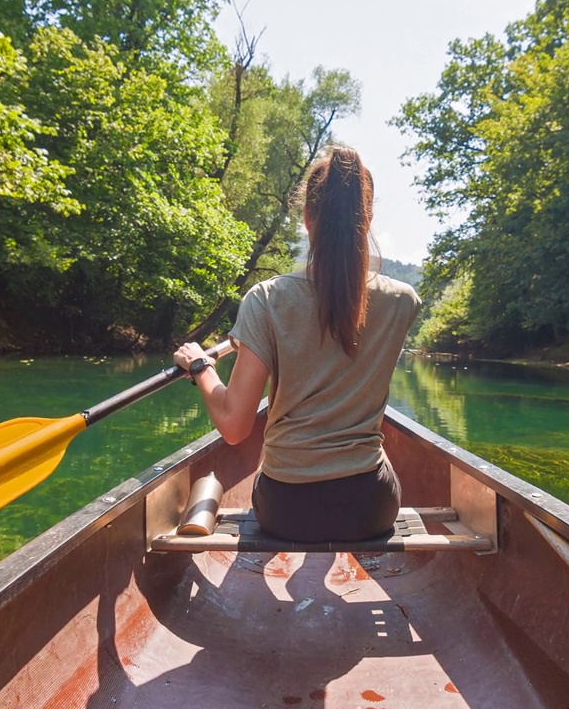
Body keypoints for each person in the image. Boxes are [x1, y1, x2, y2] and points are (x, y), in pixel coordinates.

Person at [173, 147, 421, 542]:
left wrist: (201, 368)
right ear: (367, 218)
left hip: (287, 509)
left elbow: (235, 428)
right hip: (371, 508)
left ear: (307, 219)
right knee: (381, 454)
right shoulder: (403, 301)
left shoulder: (267, 299)